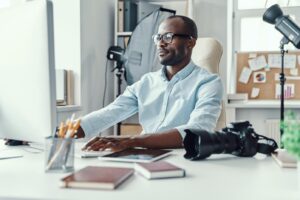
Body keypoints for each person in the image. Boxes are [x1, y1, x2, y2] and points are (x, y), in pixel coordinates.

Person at [78, 15, 223, 152]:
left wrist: (131, 141)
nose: (160, 43)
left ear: (190, 42)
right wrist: (68, 131)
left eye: (168, 37)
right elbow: (111, 112)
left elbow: (197, 130)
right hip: (144, 155)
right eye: (158, 37)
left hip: (183, 156)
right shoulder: (146, 82)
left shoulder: (208, 82)